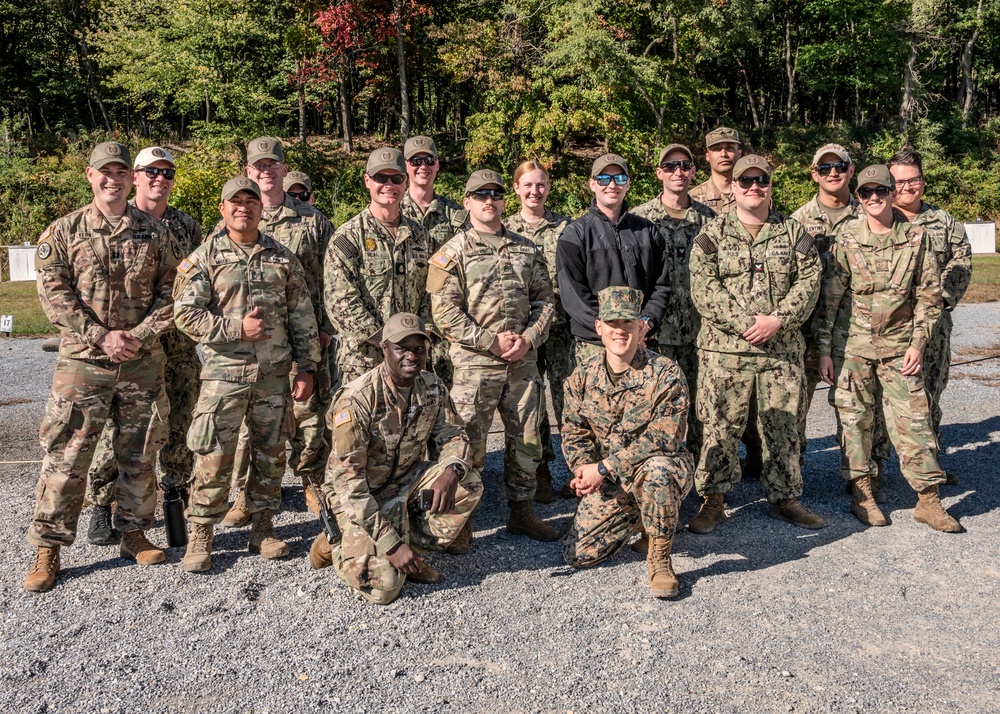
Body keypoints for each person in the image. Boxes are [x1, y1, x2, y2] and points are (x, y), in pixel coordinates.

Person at [25, 142, 180, 593]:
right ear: (90, 176)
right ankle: (48, 546)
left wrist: (140, 336)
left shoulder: (155, 231)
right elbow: (55, 297)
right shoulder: (64, 230)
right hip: (84, 362)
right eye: (103, 172)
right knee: (67, 454)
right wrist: (102, 336)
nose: (112, 179)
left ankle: (132, 532)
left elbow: (173, 292)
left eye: (120, 171)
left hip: (141, 360)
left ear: (132, 177)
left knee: (141, 450)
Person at [173, 177, 320, 572]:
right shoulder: (205, 256)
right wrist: (236, 329)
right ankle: (202, 534)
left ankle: (263, 527)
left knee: (270, 454)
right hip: (225, 375)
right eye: (234, 202)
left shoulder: (281, 256)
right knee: (214, 456)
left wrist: (306, 367)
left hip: (274, 375)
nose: (243, 207)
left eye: (250, 201)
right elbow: (184, 314)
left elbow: (302, 316)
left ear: (261, 208)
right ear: (222, 209)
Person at [817, 165, 960, 532]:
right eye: (866, 193)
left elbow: (928, 296)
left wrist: (918, 342)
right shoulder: (846, 237)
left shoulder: (916, 237)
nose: (874, 198)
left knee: (915, 419)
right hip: (854, 345)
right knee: (854, 419)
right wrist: (824, 351)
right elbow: (831, 299)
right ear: (860, 196)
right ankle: (862, 491)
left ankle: (928, 499)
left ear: (892, 193)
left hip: (900, 346)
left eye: (881, 191)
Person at [687, 155, 824, 533]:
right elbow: (703, 288)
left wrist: (778, 321)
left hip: (780, 352)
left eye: (760, 180)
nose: (753, 187)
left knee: (783, 428)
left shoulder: (794, 234)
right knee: (719, 427)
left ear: (770, 185)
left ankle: (784, 497)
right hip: (724, 352)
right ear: (732, 187)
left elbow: (809, 282)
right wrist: (748, 324)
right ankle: (712, 500)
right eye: (744, 181)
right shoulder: (711, 235)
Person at [310, 313, 481, 604]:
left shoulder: (431, 386)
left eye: (419, 349)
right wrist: (390, 545)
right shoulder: (357, 400)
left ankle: (410, 552)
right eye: (402, 348)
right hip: (357, 499)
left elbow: (454, 435)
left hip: (403, 483)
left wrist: (452, 470)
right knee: (384, 589)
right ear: (384, 349)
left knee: (469, 484)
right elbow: (349, 487)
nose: (412, 356)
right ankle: (333, 541)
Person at [428, 169, 558, 542]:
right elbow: (445, 313)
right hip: (475, 364)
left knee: (527, 441)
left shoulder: (526, 248)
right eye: (480, 194)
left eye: (496, 194)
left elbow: (545, 301)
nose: (489, 200)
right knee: (469, 441)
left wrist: (531, 338)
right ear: (466, 202)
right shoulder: (452, 253)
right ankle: (462, 520)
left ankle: (521, 510)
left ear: (505, 200)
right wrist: (489, 341)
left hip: (522, 362)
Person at [85, 146, 204, 546]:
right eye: (150, 172)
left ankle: (175, 494)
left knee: (179, 420)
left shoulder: (187, 227)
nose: (159, 179)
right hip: (129, 347)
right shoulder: (117, 222)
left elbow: (194, 284)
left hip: (177, 344)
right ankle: (103, 502)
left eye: (167, 173)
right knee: (119, 426)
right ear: (134, 176)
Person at [223, 137, 334, 528]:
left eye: (273, 165)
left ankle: (312, 483)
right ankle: (245, 492)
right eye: (258, 166)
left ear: (284, 170)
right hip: (252, 345)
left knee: (308, 417)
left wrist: (324, 330)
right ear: (248, 171)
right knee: (250, 423)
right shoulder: (235, 215)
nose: (266, 172)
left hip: (302, 338)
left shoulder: (312, 220)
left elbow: (330, 279)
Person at [561, 286, 694, 598]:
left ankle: (659, 555)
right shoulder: (581, 377)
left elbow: (666, 437)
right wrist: (583, 473)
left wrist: (604, 467)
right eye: (612, 324)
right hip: (612, 479)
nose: (620, 331)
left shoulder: (665, 373)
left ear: (641, 327)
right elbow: (573, 432)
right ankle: (647, 515)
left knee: (659, 471)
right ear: (599, 328)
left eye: (628, 324)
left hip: (658, 467)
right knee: (578, 554)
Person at [888, 149, 973, 484]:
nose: (907, 188)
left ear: (923, 181)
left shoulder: (944, 222)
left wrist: (933, 304)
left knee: (930, 394)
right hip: (888, 327)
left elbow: (961, 266)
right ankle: (877, 471)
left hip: (933, 328)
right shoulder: (878, 218)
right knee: (884, 399)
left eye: (914, 180)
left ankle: (929, 465)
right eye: (899, 182)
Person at [790, 144, 871, 478]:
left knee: (858, 407)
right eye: (824, 168)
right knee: (796, 406)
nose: (833, 173)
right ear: (814, 174)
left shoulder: (871, 212)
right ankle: (792, 477)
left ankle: (861, 478)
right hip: (807, 329)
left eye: (840, 166)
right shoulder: (797, 221)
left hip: (857, 326)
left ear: (851, 171)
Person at [632, 143, 716, 462]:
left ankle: (697, 478)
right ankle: (658, 474)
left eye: (684, 165)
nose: (678, 172)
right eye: (670, 167)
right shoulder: (638, 220)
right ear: (659, 174)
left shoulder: (711, 220)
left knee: (700, 411)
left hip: (700, 333)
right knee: (655, 409)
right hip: (655, 333)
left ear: (694, 171)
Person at [556, 153, 671, 365]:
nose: (611, 185)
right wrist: (611, 330)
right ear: (592, 184)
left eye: (619, 178)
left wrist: (645, 323)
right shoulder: (574, 235)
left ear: (627, 184)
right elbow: (573, 295)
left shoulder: (647, 231)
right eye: (603, 179)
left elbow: (661, 286)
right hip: (594, 346)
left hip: (641, 342)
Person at [503, 160, 572, 503]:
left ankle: (577, 470)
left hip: (560, 328)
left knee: (566, 398)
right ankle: (540, 469)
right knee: (532, 405)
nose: (535, 191)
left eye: (541, 184)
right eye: (527, 185)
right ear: (516, 188)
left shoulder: (566, 228)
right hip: (522, 330)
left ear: (549, 187)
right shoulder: (503, 228)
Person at [399, 135, 468, 388]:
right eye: (415, 160)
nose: (422, 166)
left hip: (444, 327)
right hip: (404, 325)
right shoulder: (392, 212)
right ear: (406, 166)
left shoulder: (456, 215)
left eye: (428, 160)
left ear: (437, 165)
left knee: (447, 401)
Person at [689, 127, 743, 214]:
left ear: (739, 153)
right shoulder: (692, 199)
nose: (723, 154)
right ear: (707, 156)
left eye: (729, 148)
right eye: (716, 149)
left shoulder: (751, 194)